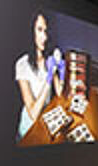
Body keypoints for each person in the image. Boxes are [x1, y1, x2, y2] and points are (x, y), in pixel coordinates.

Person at [15, 11, 65, 140]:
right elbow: (33, 113)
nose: (44, 37)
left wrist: (61, 71)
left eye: (46, 31)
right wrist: (48, 79)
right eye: (39, 30)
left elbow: (59, 92)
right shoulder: (22, 64)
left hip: (45, 122)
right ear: (31, 32)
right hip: (28, 131)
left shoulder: (48, 59)